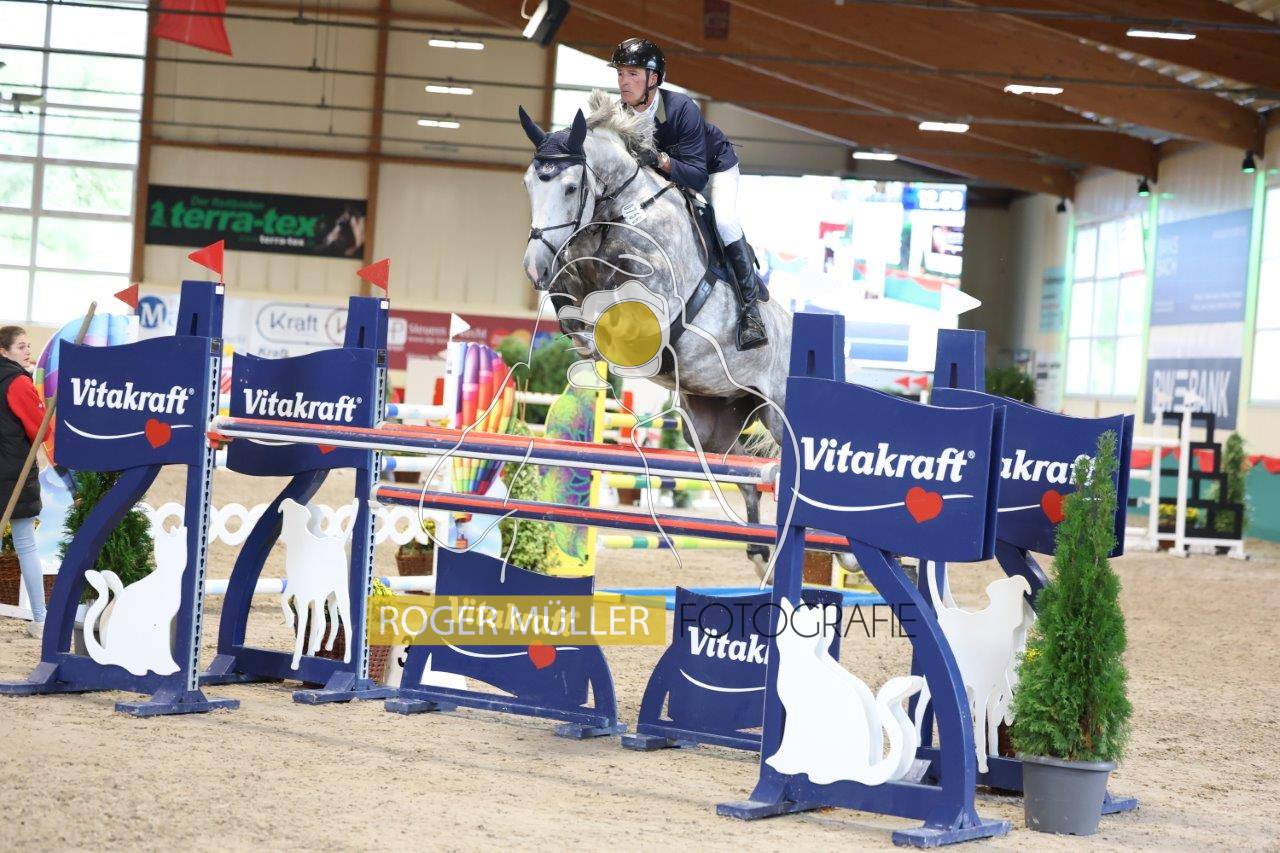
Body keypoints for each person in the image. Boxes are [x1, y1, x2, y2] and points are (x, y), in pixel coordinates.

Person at [609, 37, 768, 351]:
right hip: (668, 178)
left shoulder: (680, 108)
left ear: (653, 79)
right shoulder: (619, 114)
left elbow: (696, 175)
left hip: (714, 169)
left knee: (724, 222)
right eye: (621, 74)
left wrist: (660, 159)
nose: (624, 82)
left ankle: (751, 313)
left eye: (633, 74)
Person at [0, 326, 46, 638]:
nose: (27, 351)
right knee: (26, 545)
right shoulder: (18, 382)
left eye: (28, 346)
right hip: (13, 474)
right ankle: (40, 619)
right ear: (3, 351)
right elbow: (40, 429)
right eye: (20, 346)